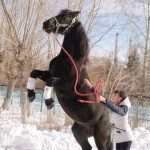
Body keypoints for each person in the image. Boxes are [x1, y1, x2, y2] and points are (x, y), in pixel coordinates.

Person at [84, 79, 133, 150]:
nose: (113, 96)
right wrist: (89, 85)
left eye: (115, 95)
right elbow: (100, 96)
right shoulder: (114, 105)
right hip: (119, 137)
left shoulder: (124, 108)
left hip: (126, 137)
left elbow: (119, 111)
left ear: (120, 98)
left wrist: (105, 100)